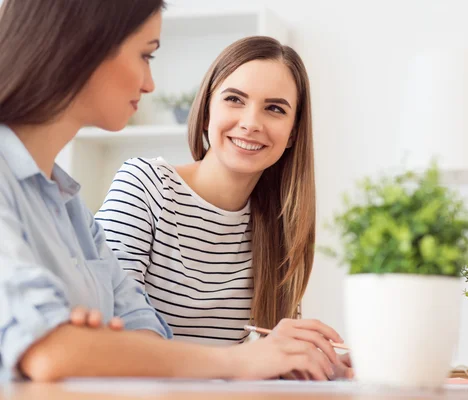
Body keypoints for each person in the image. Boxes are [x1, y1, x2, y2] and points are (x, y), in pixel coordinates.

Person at [0, 0, 345, 382]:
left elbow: (137, 327)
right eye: (146, 55)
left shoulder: (68, 207)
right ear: (83, 49)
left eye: (275, 109)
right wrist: (243, 361)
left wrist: (297, 360)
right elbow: (49, 350)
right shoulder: (140, 186)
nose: (150, 84)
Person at [95, 35, 352, 379]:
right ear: (205, 113)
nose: (251, 122)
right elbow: (109, 337)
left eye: (275, 109)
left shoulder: (277, 226)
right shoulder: (144, 185)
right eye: (234, 99)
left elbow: (249, 370)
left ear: (292, 133)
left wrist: (313, 364)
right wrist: (251, 359)